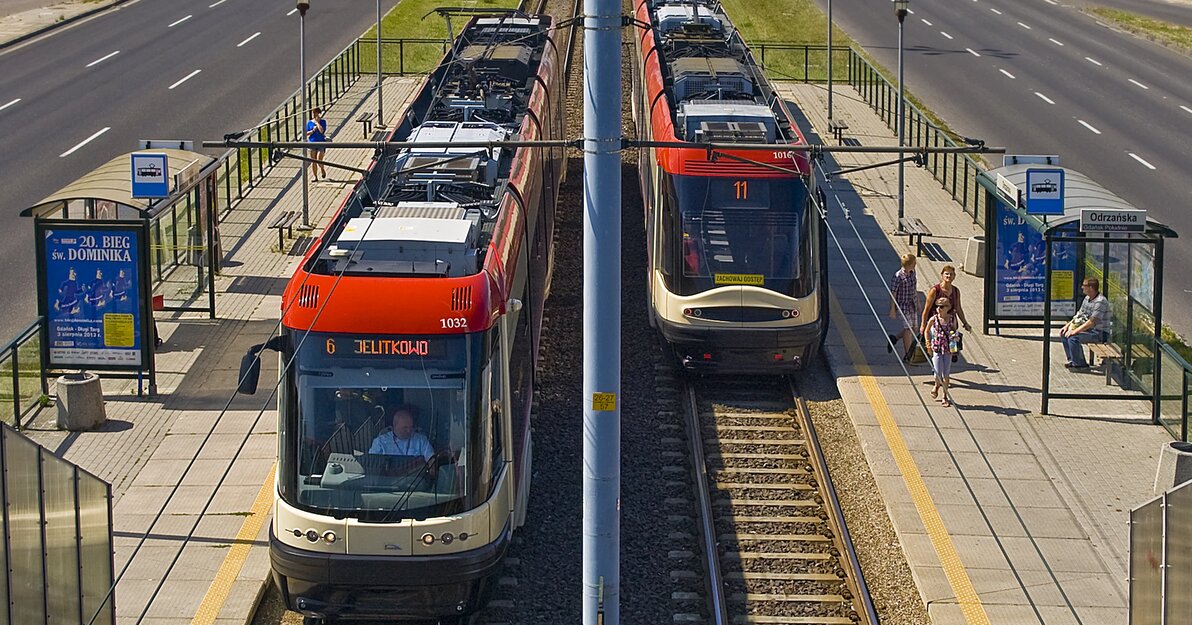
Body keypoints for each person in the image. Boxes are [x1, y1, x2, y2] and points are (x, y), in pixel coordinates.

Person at [1060, 278, 1110, 370]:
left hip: (1099, 332)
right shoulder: (1087, 298)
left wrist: (1075, 331)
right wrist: (1068, 326)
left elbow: (1092, 322)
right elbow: (1080, 314)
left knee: (1073, 338)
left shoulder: (1100, 301)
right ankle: (1073, 360)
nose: (1082, 287)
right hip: (1089, 330)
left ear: (1091, 288)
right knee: (1064, 333)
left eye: (1084, 285)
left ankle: (1080, 364)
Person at [920, 264, 972, 339]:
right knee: (938, 346)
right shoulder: (935, 290)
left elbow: (958, 308)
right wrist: (923, 325)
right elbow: (927, 309)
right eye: (946, 274)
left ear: (954, 276)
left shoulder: (956, 291)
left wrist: (965, 323)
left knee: (952, 348)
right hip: (936, 324)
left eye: (951, 274)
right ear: (942, 275)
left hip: (951, 325)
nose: (949, 276)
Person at [369, 406, 434, 461]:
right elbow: (372, 463)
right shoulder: (380, 442)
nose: (409, 430)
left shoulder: (421, 440)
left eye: (411, 427)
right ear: (395, 425)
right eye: (405, 427)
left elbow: (431, 460)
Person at [927, 297, 959, 406]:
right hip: (937, 348)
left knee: (946, 374)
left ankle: (945, 396)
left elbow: (955, 331)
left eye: (941, 307)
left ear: (947, 308)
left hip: (947, 349)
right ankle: (936, 385)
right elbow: (927, 331)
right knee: (937, 373)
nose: (938, 309)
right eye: (937, 306)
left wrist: (955, 336)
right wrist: (928, 344)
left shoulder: (951, 319)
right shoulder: (934, 319)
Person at [887, 253, 918, 361]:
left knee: (914, 328)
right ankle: (908, 355)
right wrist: (892, 309)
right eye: (914, 263)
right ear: (909, 265)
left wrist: (917, 302)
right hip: (902, 305)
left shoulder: (913, 273)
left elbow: (914, 288)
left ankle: (894, 338)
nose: (915, 265)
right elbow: (893, 293)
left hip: (911, 303)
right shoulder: (898, 276)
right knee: (908, 329)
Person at [305, 107, 329, 181]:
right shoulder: (309, 123)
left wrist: (317, 123)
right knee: (313, 161)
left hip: (321, 142)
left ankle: (322, 168)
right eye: (314, 113)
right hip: (312, 142)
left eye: (316, 113)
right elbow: (306, 133)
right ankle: (315, 177)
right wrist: (312, 131)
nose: (315, 115)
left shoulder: (323, 122)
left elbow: (322, 131)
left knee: (319, 159)